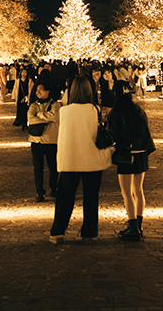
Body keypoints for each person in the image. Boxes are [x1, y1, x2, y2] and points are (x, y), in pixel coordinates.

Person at [49, 76, 113, 244]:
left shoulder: (64, 111)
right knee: (91, 197)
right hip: (91, 159)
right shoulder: (93, 109)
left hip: (70, 159)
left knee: (65, 197)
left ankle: (58, 232)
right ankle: (89, 232)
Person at [106, 81, 155, 241]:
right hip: (141, 153)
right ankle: (138, 225)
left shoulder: (116, 112)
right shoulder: (138, 110)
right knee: (138, 190)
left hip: (125, 154)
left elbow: (113, 134)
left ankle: (133, 225)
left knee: (127, 192)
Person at [27, 81, 60, 201]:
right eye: (36, 90)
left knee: (53, 166)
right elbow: (31, 120)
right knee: (37, 167)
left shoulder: (56, 105)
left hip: (51, 140)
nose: (38, 92)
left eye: (41, 89)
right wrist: (46, 118)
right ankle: (39, 191)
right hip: (36, 141)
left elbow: (55, 116)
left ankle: (54, 188)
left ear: (48, 91)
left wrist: (40, 115)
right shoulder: (33, 106)